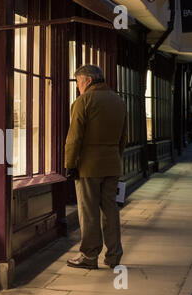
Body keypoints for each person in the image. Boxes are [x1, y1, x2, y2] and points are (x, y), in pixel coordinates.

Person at [64, 65, 127, 269]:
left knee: (89, 212)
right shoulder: (118, 101)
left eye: (79, 82)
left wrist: (70, 164)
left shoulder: (84, 101)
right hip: (112, 164)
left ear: (88, 81)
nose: (78, 87)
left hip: (88, 166)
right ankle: (114, 255)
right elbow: (123, 138)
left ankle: (89, 256)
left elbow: (74, 138)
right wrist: (116, 157)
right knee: (111, 210)